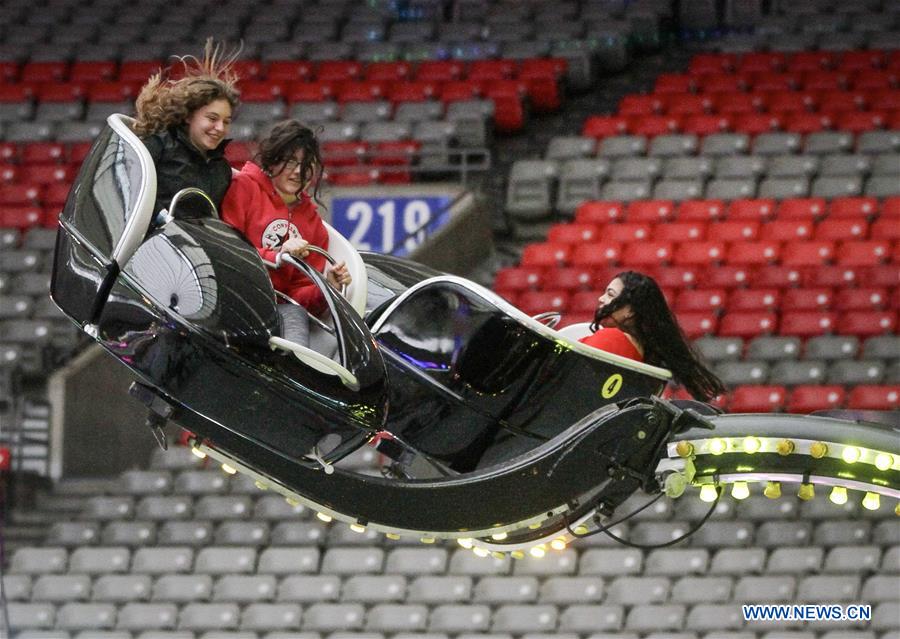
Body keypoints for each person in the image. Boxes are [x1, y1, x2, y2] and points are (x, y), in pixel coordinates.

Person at [220, 120, 351, 342]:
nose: (298, 172)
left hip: (279, 311)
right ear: (272, 161)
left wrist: (326, 287)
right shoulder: (244, 187)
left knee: (297, 347)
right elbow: (227, 250)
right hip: (234, 297)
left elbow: (298, 300)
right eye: (290, 162)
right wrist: (278, 256)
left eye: (306, 164)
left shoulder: (314, 226)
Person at [133, 39, 240, 218]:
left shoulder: (222, 170)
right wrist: (162, 220)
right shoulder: (157, 145)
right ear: (189, 115)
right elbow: (129, 192)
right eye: (212, 118)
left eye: (226, 121)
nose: (220, 128)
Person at [580, 271, 726, 402]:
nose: (600, 298)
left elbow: (569, 372)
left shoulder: (612, 338)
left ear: (630, 311)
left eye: (610, 294)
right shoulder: (644, 354)